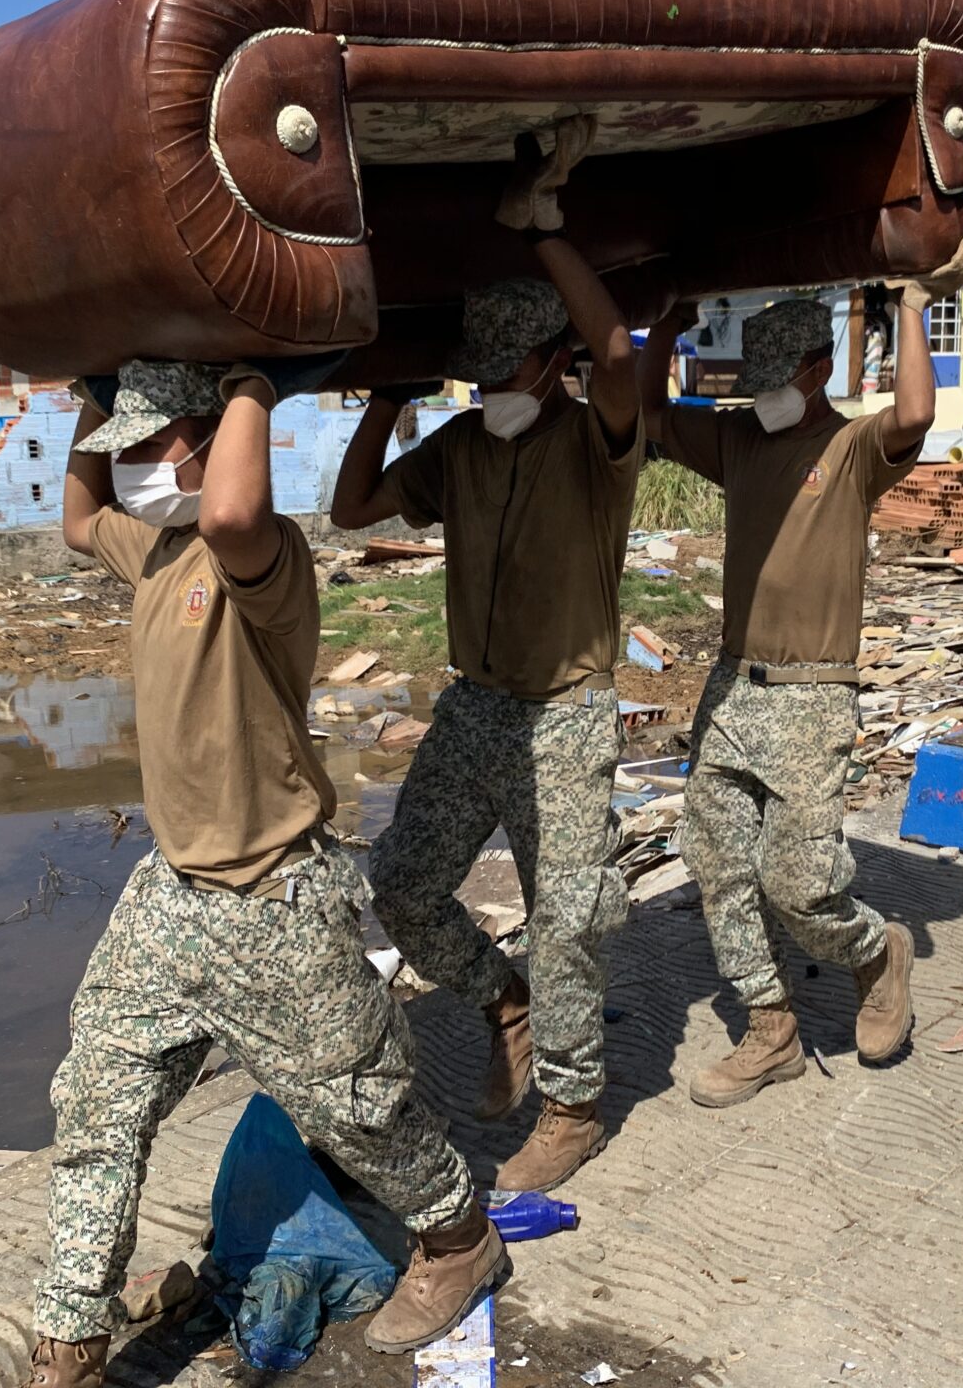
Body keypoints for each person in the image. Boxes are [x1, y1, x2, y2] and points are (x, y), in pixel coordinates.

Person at [30, 362, 499, 1386]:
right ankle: (66, 1340)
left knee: (360, 1112)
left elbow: (238, 501)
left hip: (273, 899)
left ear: (204, 440)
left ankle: (459, 1240)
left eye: (155, 445)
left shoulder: (263, 557)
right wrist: (93, 403)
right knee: (97, 1103)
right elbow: (77, 518)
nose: (132, 467)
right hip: (169, 895)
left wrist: (254, 380)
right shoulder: (150, 545)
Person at [331, 120, 640, 1194]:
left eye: (499, 369)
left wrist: (544, 232)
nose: (481, 390)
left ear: (551, 362)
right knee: (404, 886)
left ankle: (574, 1104)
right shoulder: (461, 445)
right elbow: (349, 508)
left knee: (567, 921)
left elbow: (618, 355)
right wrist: (384, 399)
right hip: (477, 708)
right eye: (470, 376)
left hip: (564, 711)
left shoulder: (595, 440)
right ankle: (499, 1001)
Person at [635, 269, 950, 1108]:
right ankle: (771, 1028)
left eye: (777, 383)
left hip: (813, 694)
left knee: (801, 883)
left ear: (817, 371)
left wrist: (913, 304)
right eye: (753, 384)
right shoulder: (740, 439)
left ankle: (877, 953)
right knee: (717, 862)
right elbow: (650, 417)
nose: (761, 397)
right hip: (734, 684)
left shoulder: (850, 451)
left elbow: (916, 412)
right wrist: (664, 329)